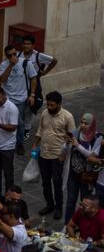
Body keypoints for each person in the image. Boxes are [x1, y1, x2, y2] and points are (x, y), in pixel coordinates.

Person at [35, 91, 75, 220]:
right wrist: (35, 144)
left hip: (57, 156)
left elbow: (72, 137)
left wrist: (65, 153)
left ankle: (58, 207)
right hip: (44, 153)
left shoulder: (67, 117)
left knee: (57, 183)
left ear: (59, 104)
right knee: (45, 182)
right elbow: (40, 129)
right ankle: (49, 205)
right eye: (48, 105)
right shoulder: (45, 113)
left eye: (52, 105)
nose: (49, 107)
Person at [0, 44, 38, 155]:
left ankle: (19, 143)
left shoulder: (26, 63)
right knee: (6, 120)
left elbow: (33, 79)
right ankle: (7, 141)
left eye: (15, 54)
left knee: (19, 122)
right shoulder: (3, 65)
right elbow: (2, 79)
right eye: (10, 55)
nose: (13, 56)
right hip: (7, 98)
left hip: (20, 99)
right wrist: (10, 65)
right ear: (6, 56)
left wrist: (32, 95)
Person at [18, 35, 58, 141]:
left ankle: (26, 129)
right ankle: (20, 127)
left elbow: (54, 61)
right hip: (21, 84)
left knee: (29, 108)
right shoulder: (18, 55)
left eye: (28, 44)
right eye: (24, 43)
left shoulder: (38, 56)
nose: (26, 46)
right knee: (20, 107)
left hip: (33, 84)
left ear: (32, 45)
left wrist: (44, 73)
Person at [66, 113, 102, 213]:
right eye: (81, 122)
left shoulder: (97, 137)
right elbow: (64, 151)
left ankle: (81, 224)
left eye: (86, 123)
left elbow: (91, 156)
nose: (82, 125)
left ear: (92, 125)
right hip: (73, 174)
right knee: (70, 201)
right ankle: (67, 224)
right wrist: (66, 144)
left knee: (85, 203)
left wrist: (78, 146)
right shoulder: (75, 133)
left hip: (86, 176)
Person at [0, 86, 20, 197]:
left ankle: (9, 196)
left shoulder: (12, 108)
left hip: (7, 146)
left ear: (4, 95)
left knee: (8, 173)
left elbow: (13, 127)